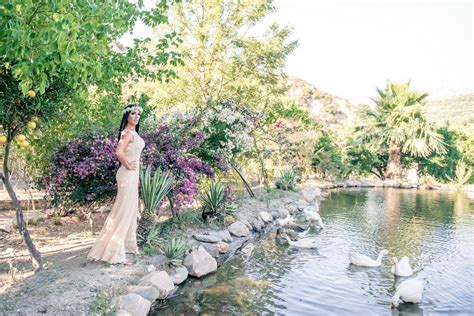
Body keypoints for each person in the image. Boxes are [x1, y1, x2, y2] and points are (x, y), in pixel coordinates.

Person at [87, 104, 145, 264]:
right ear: (127, 115)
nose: (136, 116)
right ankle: (115, 251)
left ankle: (127, 246)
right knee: (124, 211)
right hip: (127, 175)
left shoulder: (133, 133)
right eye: (133, 113)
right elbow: (119, 152)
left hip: (132, 176)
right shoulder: (126, 133)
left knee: (129, 210)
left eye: (138, 114)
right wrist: (127, 165)